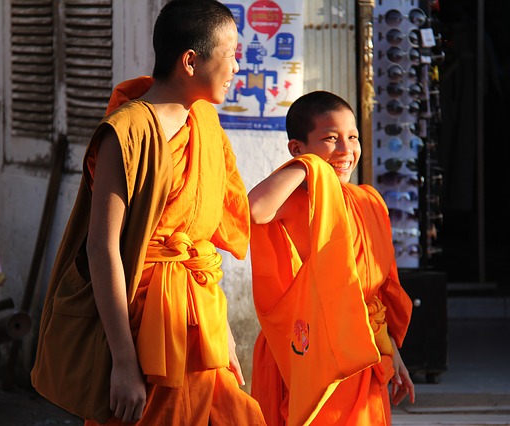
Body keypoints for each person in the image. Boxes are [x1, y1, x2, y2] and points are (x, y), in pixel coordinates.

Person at [31, 0, 267, 425]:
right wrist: (122, 361)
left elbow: (202, 249)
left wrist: (224, 331)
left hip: (200, 324)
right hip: (144, 331)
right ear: (191, 61)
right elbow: (102, 249)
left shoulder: (206, 125)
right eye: (231, 54)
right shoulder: (126, 132)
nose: (237, 66)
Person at [248, 91, 415, 425]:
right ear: (297, 148)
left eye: (352, 137)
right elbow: (255, 208)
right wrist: (309, 167)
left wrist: (392, 352)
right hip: (311, 348)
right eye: (330, 139)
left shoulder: (370, 200)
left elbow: (376, 293)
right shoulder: (300, 200)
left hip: (362, 346)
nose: (345, 151)